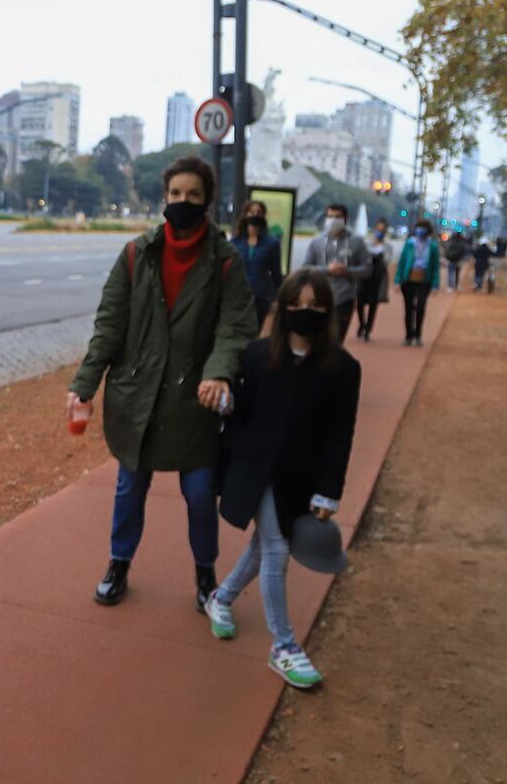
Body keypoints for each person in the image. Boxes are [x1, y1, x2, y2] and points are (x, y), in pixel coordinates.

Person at [67, 157, 256, 612]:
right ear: (164, 197)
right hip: (138, 399)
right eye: (175, 194)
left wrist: (218, 372)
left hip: (195, 401)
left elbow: (235, 327)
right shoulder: (137, 254)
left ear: (207, 201)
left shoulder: (225, 261)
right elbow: (109, 325)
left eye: (193, 195)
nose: (182, 202)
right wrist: (85, 384)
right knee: (129, 488)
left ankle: (205, 573)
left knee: (199, 494)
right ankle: (118, 564)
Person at [204, 268, 361, 689]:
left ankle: (221, 597)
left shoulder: (344, 368)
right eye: (295, 304)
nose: (304, 312)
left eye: (315, 306)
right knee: (276, 548)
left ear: (328, 312)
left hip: (300, 476)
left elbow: (341, 433)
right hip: (254, 468)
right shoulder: (257, 355)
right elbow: (241, 408)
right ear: (283, 307)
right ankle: (284, 646)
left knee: (265, 544)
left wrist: (329, 491)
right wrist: (225, 402)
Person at [302, 204, 370, 344]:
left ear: (345, 219)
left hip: (344, 298)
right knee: (316, 337)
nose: (333, 220)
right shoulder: (317, 242)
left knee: (336, 339)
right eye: (330, 216)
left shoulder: (356, 242)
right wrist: (327, 270)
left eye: (337, 217)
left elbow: (367, 268)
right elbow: (306, 268)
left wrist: (347, 271)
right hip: (319, 296)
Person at [231, 199, 284, 333]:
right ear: (245, 215)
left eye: (259, 213)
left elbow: (276, 273)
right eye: (252, 212)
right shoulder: (235, 242)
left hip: (262, 297)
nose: (255, 215)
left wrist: (278, 298)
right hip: (239, 297)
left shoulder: (272, 243)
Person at [395, 219, 441, 346]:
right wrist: (397, 280)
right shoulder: (410, 243)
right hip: (409, 279)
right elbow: (402, 262)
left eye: (423, 228)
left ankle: (418, 334)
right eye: (419, 228)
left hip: (424, 280)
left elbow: (435, 266)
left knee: (420, 307)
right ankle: (408, 335)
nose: (420, 231)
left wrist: (435, 284)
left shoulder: (433, 246)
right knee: (408, 308)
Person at [356, 218, 393, 342]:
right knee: (360, 302)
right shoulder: (366, 244)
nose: (380, 232)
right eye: (378, 229)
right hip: (364, 277)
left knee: (373, 304)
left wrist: (378, 258)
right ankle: (362, 324)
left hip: (377, 278)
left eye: (382, 230)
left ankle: (368, 329)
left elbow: (386, 261)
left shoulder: (387, 247)